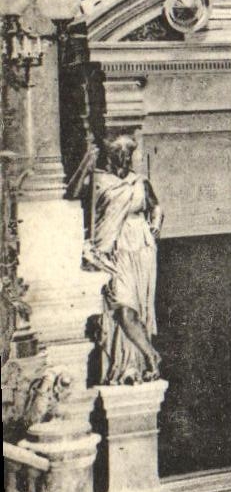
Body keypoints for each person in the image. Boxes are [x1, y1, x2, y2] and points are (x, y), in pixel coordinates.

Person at [84, 135, 163, 384]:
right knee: (122, 308)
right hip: (113, 250)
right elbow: (87, 212)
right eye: (119, 152)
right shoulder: (98, 181)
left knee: (136, 308)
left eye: (128, 153)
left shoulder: (140, 182)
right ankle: (150, 356)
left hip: (140, 248)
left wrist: (155, 226)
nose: (125, 158)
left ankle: (133, 366)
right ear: (109, 154)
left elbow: (155, 207)